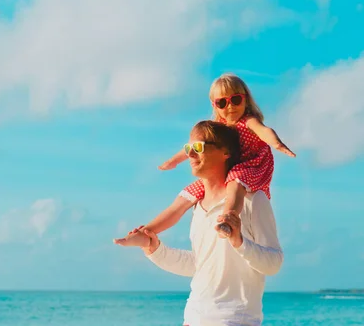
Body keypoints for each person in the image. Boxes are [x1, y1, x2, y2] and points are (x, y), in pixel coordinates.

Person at [121, 120, 284, 326]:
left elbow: (274, 264)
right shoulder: (197, 206)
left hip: (235, 320)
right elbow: (201, 265)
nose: (190, 154)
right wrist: (153, 248)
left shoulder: (253, 200)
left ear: (225, 152)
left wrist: (239, 242)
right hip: (193, 318)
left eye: (198, 148)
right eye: (188, 148)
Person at [114, 73, 294, 246]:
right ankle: (146, 232)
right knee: (185, 197)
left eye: (236, 100)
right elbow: (195, 146)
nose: (230, 107)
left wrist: (277, 143)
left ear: (245, 99)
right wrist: (174, 160)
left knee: (235, 183)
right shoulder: (218, 128)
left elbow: (264, 131)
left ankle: (229, 219)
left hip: (250, 165)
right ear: (214, 105)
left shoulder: (248, 121)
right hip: (224, 169)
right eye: (222, 103)